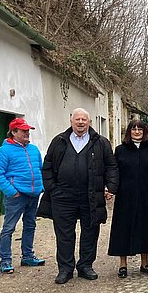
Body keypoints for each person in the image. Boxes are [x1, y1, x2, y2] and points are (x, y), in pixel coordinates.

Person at [38, 108, 118, 284]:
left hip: (91, 195)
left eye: (84, 119)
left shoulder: (101, 142)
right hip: (63, 197)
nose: (81, 122)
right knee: (64, 234)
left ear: (89, 122)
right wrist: (52, 188)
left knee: (90, 231)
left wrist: (111, 186)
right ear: (71, 121)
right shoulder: (59, 141)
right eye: (77, 119)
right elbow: (48, 166)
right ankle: (65, 269)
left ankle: (85, 266)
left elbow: (111, 166)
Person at [108, 120, 148, 278]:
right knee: (123, 228)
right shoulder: (120, 150)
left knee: (146, 228)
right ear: (129, 131)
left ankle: (144, 263)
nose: (137, 131)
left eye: (140, 129)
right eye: (133, 129)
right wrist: (111, 189)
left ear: (144, 131)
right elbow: (114, 172)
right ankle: (123, 264)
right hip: (125, 196)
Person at [0, 117, 45, 273]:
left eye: (28, 130)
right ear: (14, 132)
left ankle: (27, 256)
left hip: (33, 195)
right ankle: (5, 260)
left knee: (30, 225)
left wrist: (41, 187)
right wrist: (12, 191)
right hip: (16, 196)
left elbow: (39, 170)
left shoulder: (33, 149)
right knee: (9, 228)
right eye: (23, 131)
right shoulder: (4, 151)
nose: (27, 133)